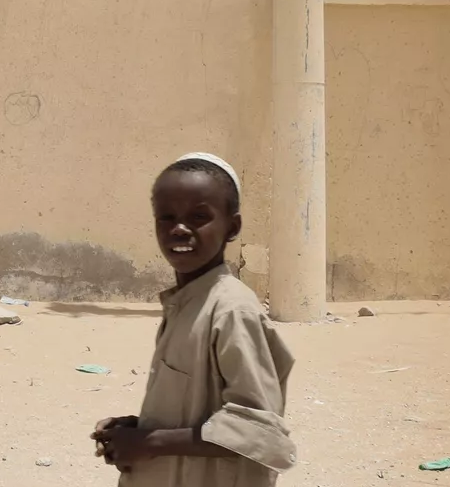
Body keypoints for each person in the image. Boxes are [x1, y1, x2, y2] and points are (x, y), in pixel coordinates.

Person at [91, 153, 297, 485]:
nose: (179, 229)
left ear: (232, 227)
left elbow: (258, 429)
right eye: (166, 217)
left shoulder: (231, 311)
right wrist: (139, 428)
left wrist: (151, 442)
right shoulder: (187, 303)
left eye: (199, 216)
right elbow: (199, 411)